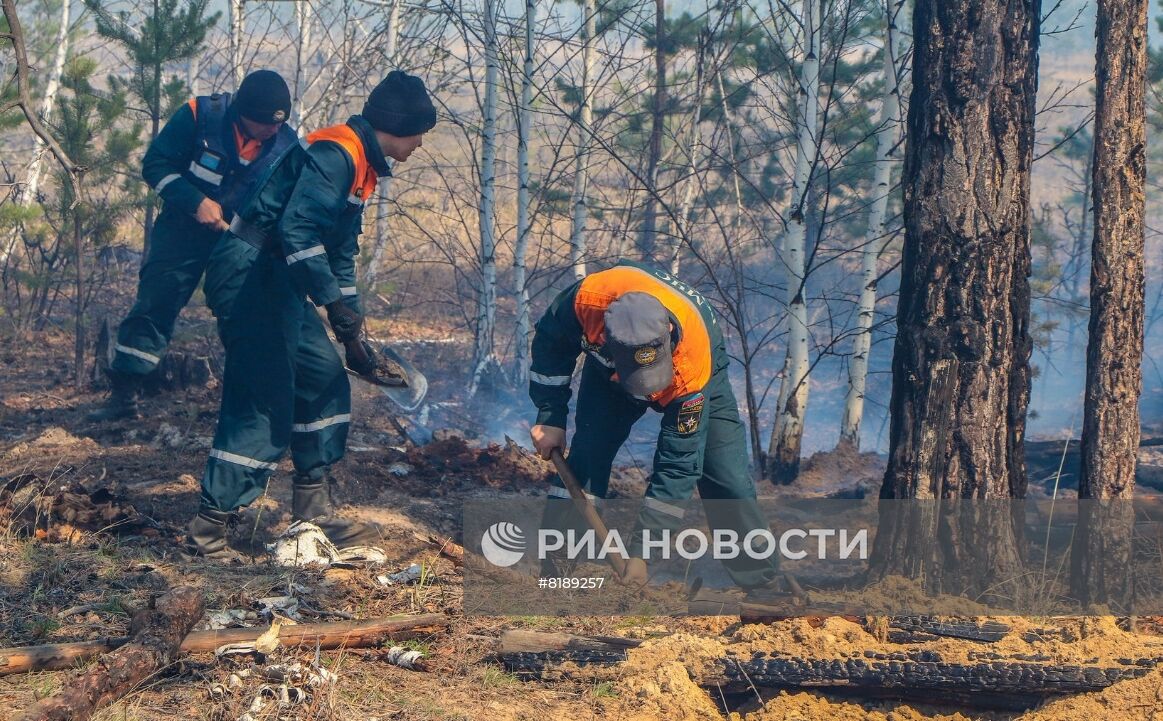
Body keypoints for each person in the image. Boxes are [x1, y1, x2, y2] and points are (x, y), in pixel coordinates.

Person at [186, 70, 437, 559]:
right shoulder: (335, 154)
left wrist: (353, 328)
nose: (422, 144)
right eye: (419, 132)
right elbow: (299, 234)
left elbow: (339, 252)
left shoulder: (361, 165)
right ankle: (209, 531)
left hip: (280, 281)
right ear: (396, 125)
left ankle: (312, 512)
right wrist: (332, 304)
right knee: (264, 397)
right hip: (249, 275)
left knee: (322, 375)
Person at [528, 260, 779, 590]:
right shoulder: (588, 300)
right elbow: (551, 346)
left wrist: (641, 554)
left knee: (726, 477)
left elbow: (677, 468)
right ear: (605, 337)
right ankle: (557, 570)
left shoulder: (693, 370)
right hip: (607, 375)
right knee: (588, 456)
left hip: (691, 374)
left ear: (668, 336)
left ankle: (762, 585)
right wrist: (550, 416)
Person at [90, 70, 298, 422]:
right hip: (181, 232)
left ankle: (247, 403)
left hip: (239, 242)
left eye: (279, 123)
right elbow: (155, 165)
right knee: (156, 301)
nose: (273, 130)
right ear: (243, 113)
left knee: (246, 315)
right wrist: (194, 200)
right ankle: (124, 395)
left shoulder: (286, 147)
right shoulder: (200, 115)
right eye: (265, 123)